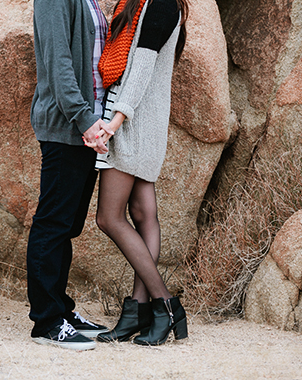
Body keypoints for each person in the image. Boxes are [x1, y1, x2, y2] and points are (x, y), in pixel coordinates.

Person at [83, 0, 189, 346]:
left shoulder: (160, 5)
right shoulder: (135, 4)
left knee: (108, 218)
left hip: (133, 125)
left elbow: (142, 69)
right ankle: (137, 313)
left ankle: (166, 305)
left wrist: (114, 123)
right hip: (140, 122)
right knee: (143, 214)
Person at [27, 0, 111, 351]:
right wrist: (85, 120)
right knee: (53, 222)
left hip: (85, 127)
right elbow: (60, 64)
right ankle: (47, 321)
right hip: (67, 127)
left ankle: (62, 310)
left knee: (69, 223)